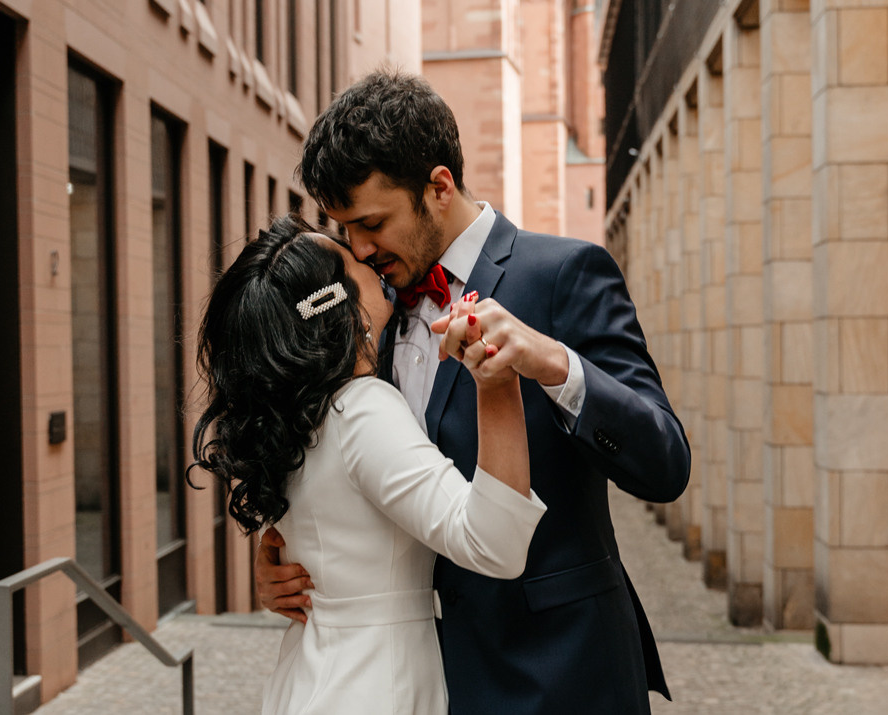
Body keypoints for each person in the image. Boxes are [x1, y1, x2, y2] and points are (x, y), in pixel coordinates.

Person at [256, 70, 691, 713]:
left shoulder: (566, 273)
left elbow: (665, 463)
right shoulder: (366, 309)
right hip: (422, 681)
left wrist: (556, 364)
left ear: (439, 186)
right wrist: (281, 550)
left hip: (557, 673)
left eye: (372, 222)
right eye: (344, 227)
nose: (358, 248)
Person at [191, 215, 547, 714]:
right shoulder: (362, 409)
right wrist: (496, 380)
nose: (364, 256)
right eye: (348, 257)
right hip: (376, 685)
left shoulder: (296, 417)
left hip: (312, 676)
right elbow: (496, 546)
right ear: (341, 306)